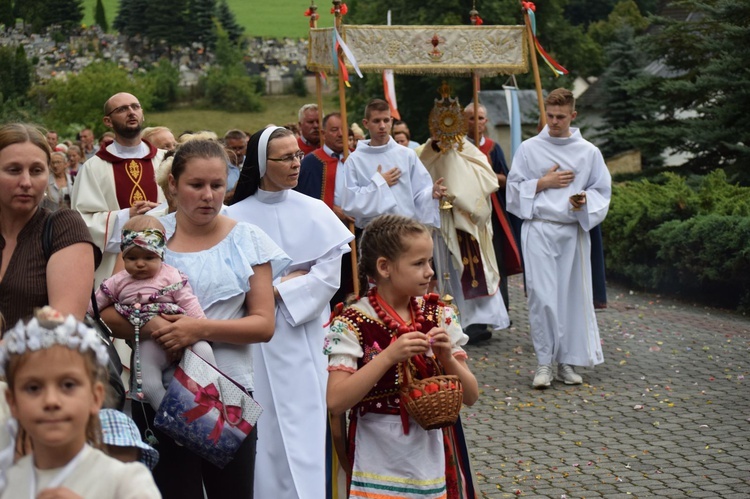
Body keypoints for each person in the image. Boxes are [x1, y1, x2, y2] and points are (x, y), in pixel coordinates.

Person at [101, 138, 290, 499]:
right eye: (196, 185)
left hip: (225, 391)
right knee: (172, 491)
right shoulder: (148, 233)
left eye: (217, 185)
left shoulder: (247, 239)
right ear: (173, 184)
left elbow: (263, 324)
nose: (208, 195)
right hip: (156, 388)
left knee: (231, 493)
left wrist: (197, 329)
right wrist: (149, 325)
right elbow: (110, 307)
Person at [227, 126, 353, 499]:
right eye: (286, 157)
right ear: (263, 163)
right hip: (255, 341)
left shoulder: (315, 211)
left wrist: (276, 290)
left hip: (305, 335)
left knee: (308, 423)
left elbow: (329, 276)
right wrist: (279, 288)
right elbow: (228, 280)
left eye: (298, 155)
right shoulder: (232, 217)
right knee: (266, 432)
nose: (296, 163)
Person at [325, 214, 479, 498]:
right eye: (419, 263)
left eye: (429, 261)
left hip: (432, 454)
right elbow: (336, 401)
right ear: (384, 267)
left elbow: (470, 396)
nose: (430, 271)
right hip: (377, 453)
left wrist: (446, 357)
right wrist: (387, 357)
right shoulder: (352, 322)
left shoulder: (438, 314)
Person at [506, 88, 611, 388]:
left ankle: (566, 361)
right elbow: (512, 192)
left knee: (570, 297)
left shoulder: (588, 152)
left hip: (571, 231)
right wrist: (542, 182)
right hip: (538, 227)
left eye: (560, 117)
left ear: (573, 116)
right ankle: (543, 363)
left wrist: (583, 201)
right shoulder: (528, 149)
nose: (553, 122)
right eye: (549, 116)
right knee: (541, 296)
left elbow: (601, 191)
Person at [0, 313, 161, 498]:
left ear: (95, 396)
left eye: (68, 385)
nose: (51, 400)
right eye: (33, 388)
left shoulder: (125, 481)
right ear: (12, 402)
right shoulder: (8, 481)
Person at [92, 214, 213, 409]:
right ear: (123, 256)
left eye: (149, 257)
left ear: (161, 255)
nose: (140, 263)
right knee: (147, 384)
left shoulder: (171, 275)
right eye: (132, 258)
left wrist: (200, 327)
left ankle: (205, 398)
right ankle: (171, 418)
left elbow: (189, 302)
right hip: (149, 341)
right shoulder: (117, 281)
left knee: (204, 349)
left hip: (181, 333)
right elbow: (95, 306)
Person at [419, 103, 510, 343]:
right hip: (440, 219)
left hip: (466, 219)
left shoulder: (468, 149)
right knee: (446, 269)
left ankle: (477, 322)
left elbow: (488, 178)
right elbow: (418, 177)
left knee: (470, 269)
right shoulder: (426, 151)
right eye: (440, 126)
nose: (444, 132)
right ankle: (450, 320)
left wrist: (462, 192)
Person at [0, 123, 100, 334]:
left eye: (36, 171)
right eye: (13, 170)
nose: (26, 182)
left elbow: (62, 325)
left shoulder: (62, 227)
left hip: (38, 364)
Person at [71, 92, 166, 285]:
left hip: (167, 262)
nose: (131, 112)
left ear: (143, 113)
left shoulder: (166, 160)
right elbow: (81, 221)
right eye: (122, 109)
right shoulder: (93, 167)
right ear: (108, 121)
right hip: (114, 266)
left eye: (135, 107)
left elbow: (183, 208)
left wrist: (160, 212)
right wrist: (127, 216)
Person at [341, 98, 445, 231]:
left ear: (392, 121)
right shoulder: (355, 160)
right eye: (376, 121)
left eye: (386, 120)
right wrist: (379, 183)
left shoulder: (407, 155)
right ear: (366, 123)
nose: (382, 126)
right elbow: (350, 203)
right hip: (374, 232)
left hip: (405, 229)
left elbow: (419, 193)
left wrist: (431, 194)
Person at [465, 102, 523, 309]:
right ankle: (476, 317)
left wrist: (487, 173)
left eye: (480, 118)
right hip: (467, 214)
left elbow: (506, 179)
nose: (476, 122)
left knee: (496, 261)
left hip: (493, 214)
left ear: (486, 121)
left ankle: (501, 310)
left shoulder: (492, 147)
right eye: (471, 118)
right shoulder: (458, 148)